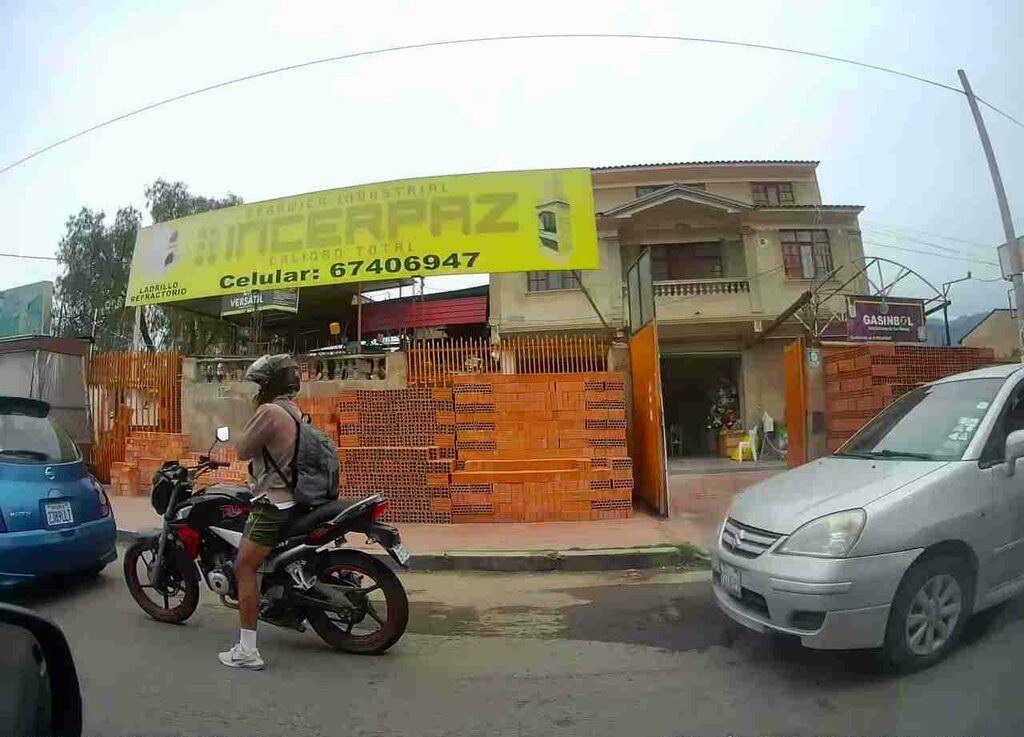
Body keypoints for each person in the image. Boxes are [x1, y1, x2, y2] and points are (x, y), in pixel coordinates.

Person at [218, 354, 303, 670]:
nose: (256, 389)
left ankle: (247, 650)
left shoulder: (269, 412)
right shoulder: (294, 411)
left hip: (272, 504)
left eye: (260, 383)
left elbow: (242, 450)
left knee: (244, 567)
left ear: (270, 384)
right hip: (292, 499)